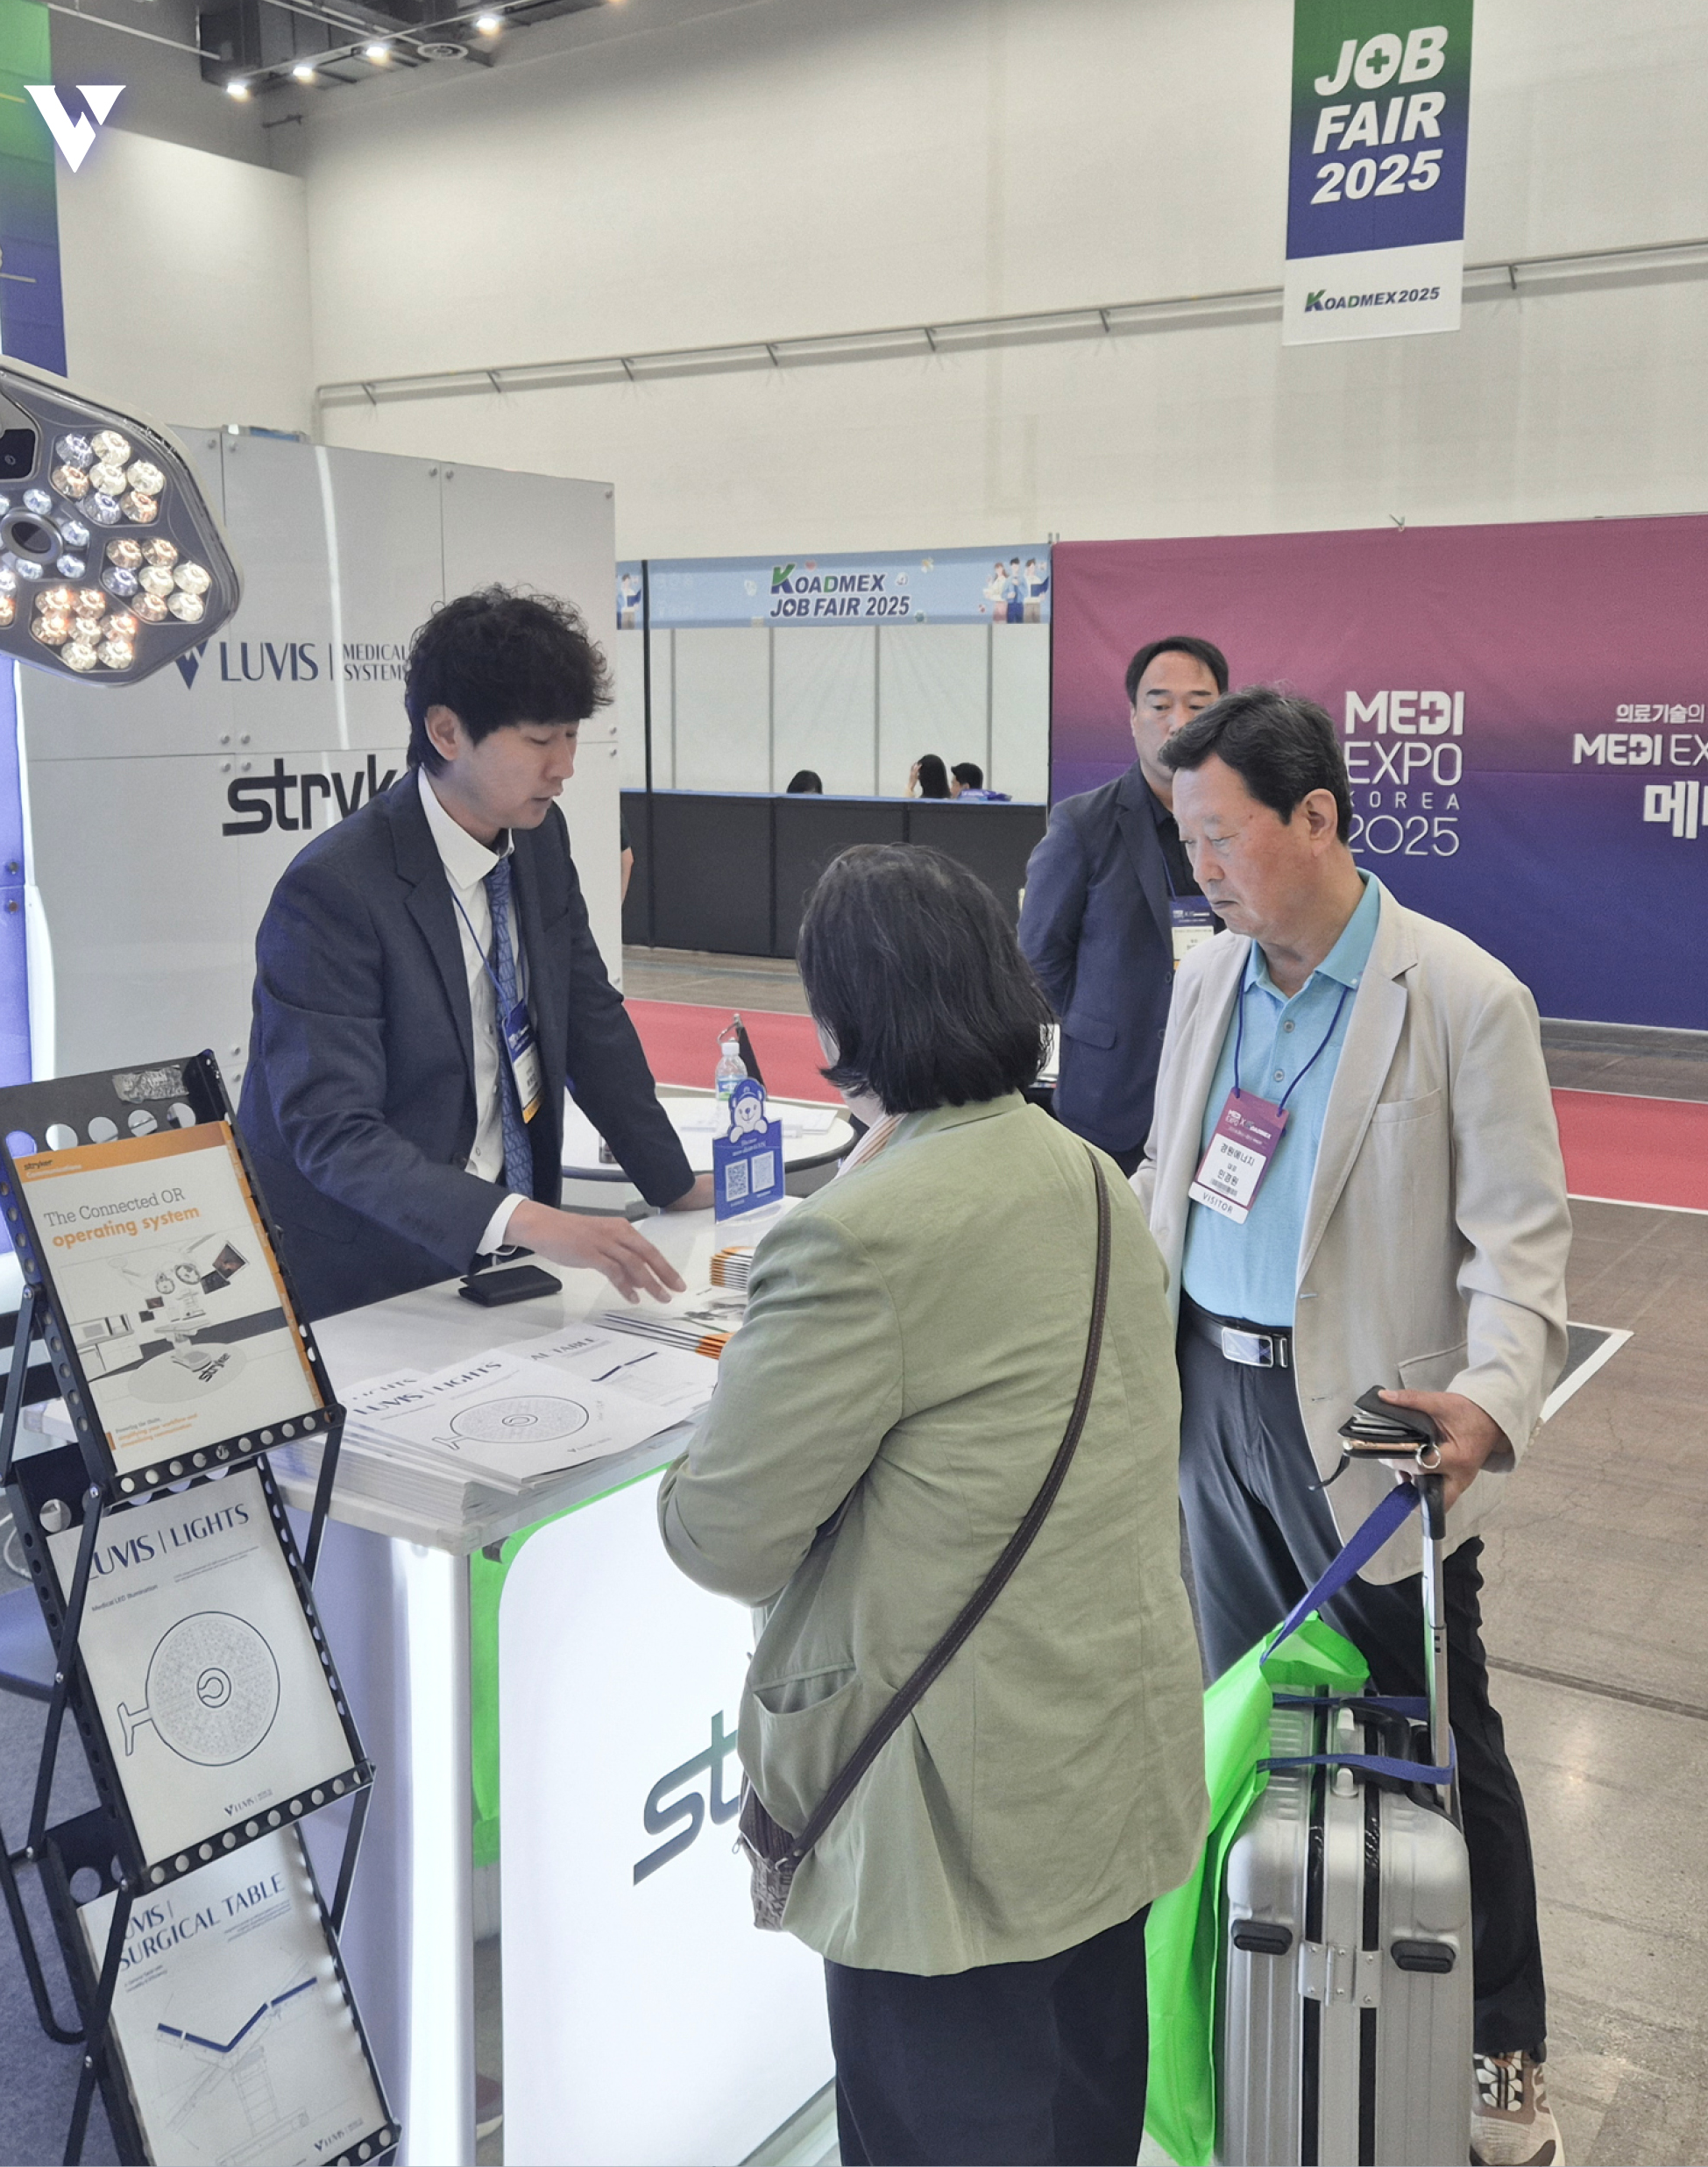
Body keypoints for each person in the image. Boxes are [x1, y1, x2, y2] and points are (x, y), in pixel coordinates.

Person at [659, 846, 1204, 2167]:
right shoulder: (1088, 1174)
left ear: (843, 1024)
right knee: (1081, 2121)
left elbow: (721, 1533)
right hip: (1103, 1768)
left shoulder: (853, 1233)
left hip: (948, 1817)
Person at [1134, 687, 1570, 2167]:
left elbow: (1522, 1244)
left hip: (1375, 1437)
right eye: (1186, 838)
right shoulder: (1206, 977)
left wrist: (1491, 1402)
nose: (1201, 865)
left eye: (1221, 835)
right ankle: (1279, 2004)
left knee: (1434, 1736)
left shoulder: (1461, 996)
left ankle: (1499, 2043)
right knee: (1250, 1714)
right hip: (1212, 1404)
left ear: (1314, 817)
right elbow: (1171, 1170)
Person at [238, 586, 712, 1321]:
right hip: (366, 1272)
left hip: (505, 1254)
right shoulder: (334, 890)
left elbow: (590, 1018)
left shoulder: (540, 840)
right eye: (539, 740)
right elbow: (334, 1133)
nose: (564, 767)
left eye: (572, 736)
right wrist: (528, 1220)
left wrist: (673, 1185)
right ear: (447, 731)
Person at [1018, 635, 1229, 1173]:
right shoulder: (1082, 825)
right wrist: (1101, 1021)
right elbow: (1039, 959)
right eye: (1160, 706)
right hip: (1109, 1098)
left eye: (1199, 706)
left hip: (1219, 1094)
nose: (1179, 722)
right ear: (1134, 718)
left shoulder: (1247, 824)